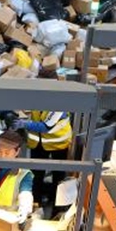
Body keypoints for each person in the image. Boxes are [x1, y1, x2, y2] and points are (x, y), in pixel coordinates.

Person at [13, 69, 73, 213]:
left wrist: (24, 124)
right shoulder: (37, 93)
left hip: (58, 143)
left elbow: (46, 126)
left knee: (58, 177)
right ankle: (36, 204)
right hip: (38, 143)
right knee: (36, 175)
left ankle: (56, 207)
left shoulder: (61, 100)